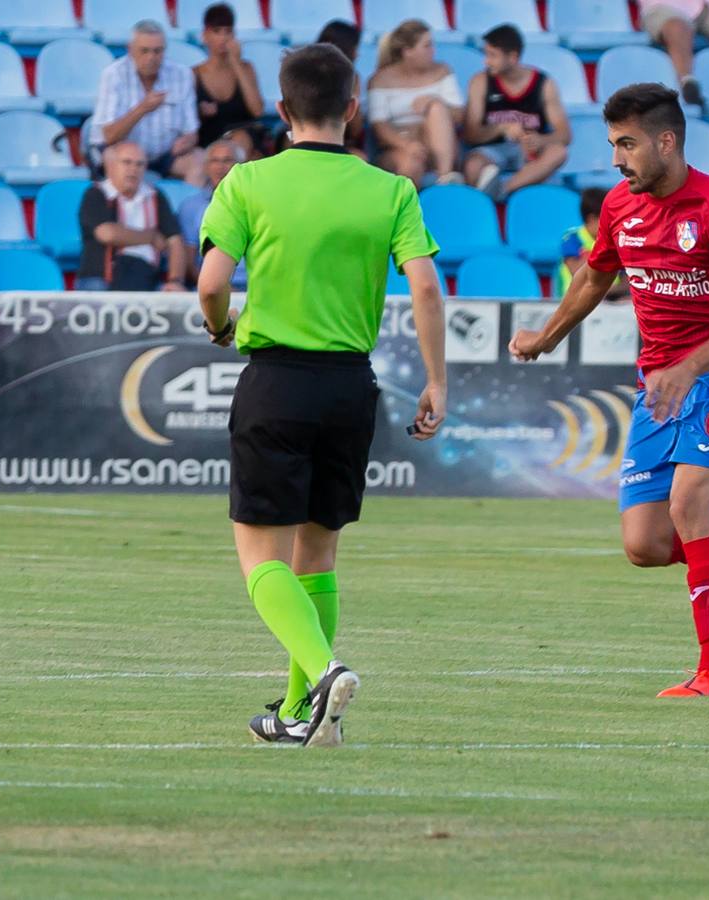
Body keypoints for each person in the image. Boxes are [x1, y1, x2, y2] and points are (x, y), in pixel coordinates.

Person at [509, 83, 709, 698]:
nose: (616, 158)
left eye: (627, 144)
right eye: (612, 144)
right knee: (647, 544)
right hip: (657, 385)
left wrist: (688, 368)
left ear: (666, 141)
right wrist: (546, 337)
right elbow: (593, 278)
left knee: (689, 507)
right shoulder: (617, 207)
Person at [196, 43, 448, 747]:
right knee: (318, 554)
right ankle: (300, 715)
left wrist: (219, 327)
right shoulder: (389, 189)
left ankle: (323, 670)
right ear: (352, 110)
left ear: (280, 112)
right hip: (348, 387)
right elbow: (424, 284)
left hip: (275, 379)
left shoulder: (248, 181)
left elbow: (212, 284)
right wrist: (435, 379)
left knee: (260, 559)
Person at [460, 24, 571, 200]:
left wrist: (539, 140)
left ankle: (502, 189)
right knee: (473, 166)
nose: (486, 62)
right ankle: (499, 191)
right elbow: (470, 134)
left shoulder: (543, 84)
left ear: (512, 57)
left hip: (529, 151)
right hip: (492, 149)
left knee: (558, 152)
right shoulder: (481, 82)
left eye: (492, 56)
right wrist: (500, 128)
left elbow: (564, 135)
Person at [88, 20, 200, 181]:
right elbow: (109, 136)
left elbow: (192, 132)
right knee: (113, 157)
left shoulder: (182, 74)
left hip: (167, 155)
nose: (151, 58)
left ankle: (191, 206)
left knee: (201, 161)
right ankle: (127, 206)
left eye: (157, 51)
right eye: (144, 51)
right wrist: (142, 109)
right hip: (124, 153)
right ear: (130, 50)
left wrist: (187, 141)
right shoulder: (113, 75)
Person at [76, 142, 188, 292]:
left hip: (146, 276)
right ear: (111, 166)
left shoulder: (155, 196)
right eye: (126, 163)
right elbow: (107, 233)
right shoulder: (96, 194)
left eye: (139, 164)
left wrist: (175, 280)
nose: (133, 169)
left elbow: (175, 241)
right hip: (102, 277)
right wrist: (152, 237)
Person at [366, 19, 464, 186]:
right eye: (427, 46)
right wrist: (407, 145)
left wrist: (434, 101)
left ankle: (445, 178)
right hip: (398, 147)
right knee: (411, 163)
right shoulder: (380, 80)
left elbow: (459, 116)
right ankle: (408, 209)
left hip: (439, 148)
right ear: (408, 51)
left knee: (436, 107)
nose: (433, 51)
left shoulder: (442, 71)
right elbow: (379, 125)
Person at [191, 4, 265, 155]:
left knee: (241, 139)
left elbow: (257, 111)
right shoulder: (194, 74)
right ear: (205, 35)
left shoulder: (246, 68)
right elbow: (186, 119)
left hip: (244, 138)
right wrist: (199, 111)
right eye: (217, 31)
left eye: (228, 32)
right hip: (210, 140)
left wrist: (236, 63)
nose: (223, 38)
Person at [180, 141, 248, 289]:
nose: (220, 167)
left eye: (227, 160)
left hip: (254, 285)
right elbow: (189, 263)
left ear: (240, 166)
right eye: (214, 161)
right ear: (206, 167)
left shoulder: (255, 203)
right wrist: (218, 289)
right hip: (210, 285)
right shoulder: (191, 206)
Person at [557, 187, 628, 300]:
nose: (615, 224)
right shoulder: (572, 239)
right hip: (575, 302)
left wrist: (606, 292)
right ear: (592, 219)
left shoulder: (618, 241)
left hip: (609, 302)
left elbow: (627, 283)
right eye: (610, 219)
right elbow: (577, 273)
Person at [316, 19, 368, 154]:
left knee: (358, 158)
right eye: (355, 48)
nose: (357, 54)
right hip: (302, 138)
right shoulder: (305, 72)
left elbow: (355, 131)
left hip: (339, 141)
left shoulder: (353, 78)